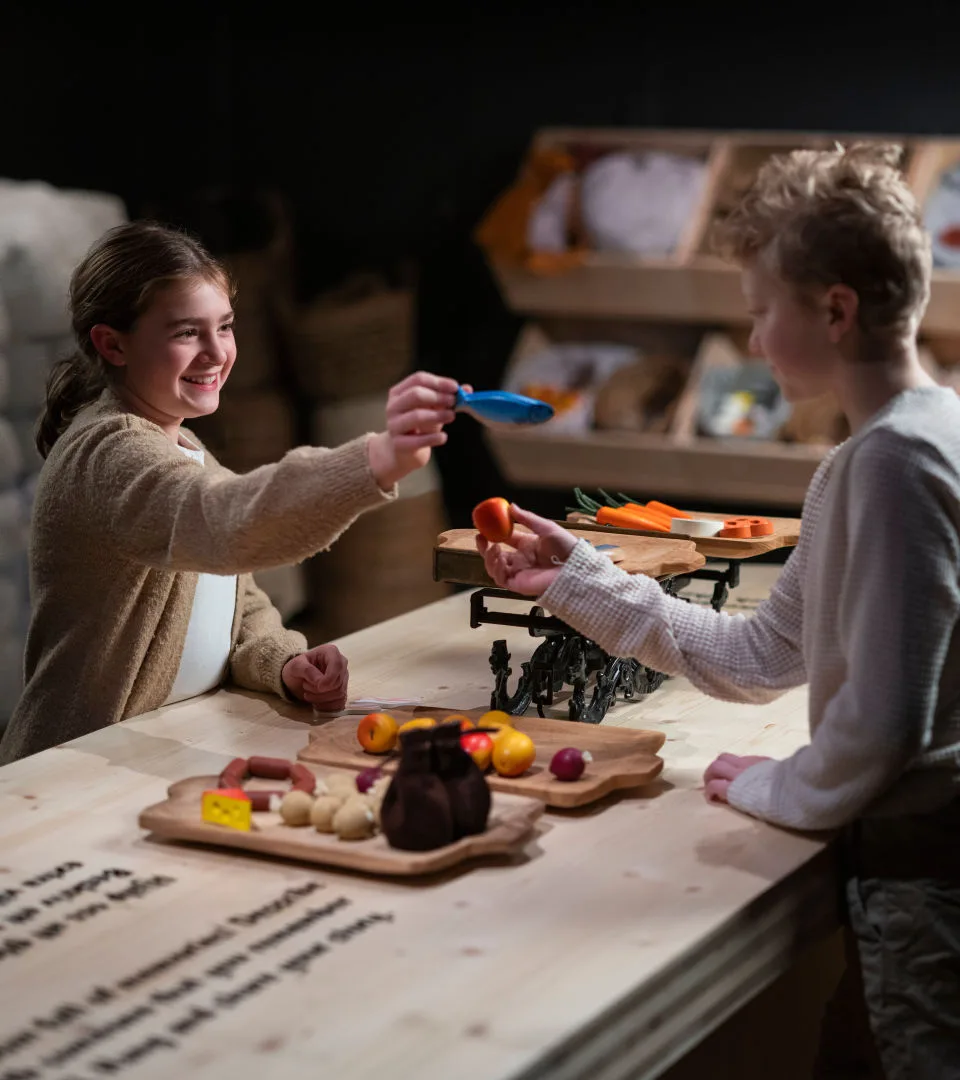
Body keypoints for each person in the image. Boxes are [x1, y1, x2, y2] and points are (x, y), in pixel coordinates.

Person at [478, 144, 960, 1078]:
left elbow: (887, 725)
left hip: (929, 876)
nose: (749, 342)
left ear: (834, 310)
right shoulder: (899, 444)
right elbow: (764, 653)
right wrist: (581, 579)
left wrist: (773, 785)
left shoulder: (893, 466)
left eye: (760, 311)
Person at [0, 220, 462, 764]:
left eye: (225, 326)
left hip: (166, 748)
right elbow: (223, 525)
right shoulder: (106, 451)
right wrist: (375, 460)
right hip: (70, 772)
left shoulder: (184, 444)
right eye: (185, 332)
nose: (217, 352)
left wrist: (282, 661)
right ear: (113, 344)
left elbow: (235, 599)